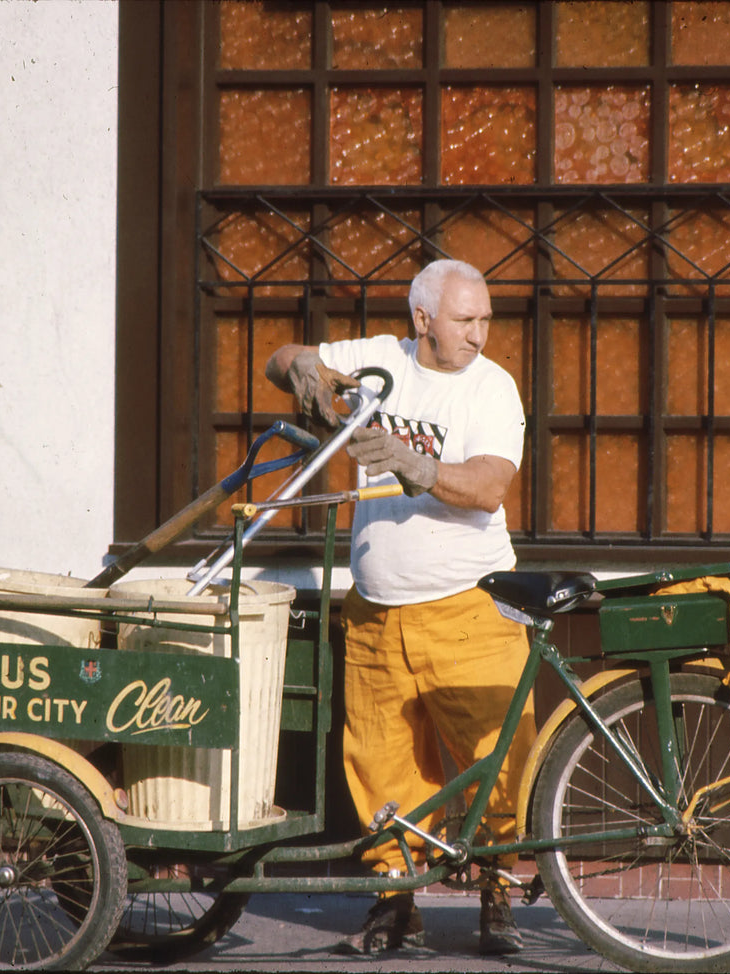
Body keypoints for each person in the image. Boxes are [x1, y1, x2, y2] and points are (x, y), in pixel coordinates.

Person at [265, 259, 533, 957]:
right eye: (465, 320)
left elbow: (489, 485)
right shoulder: (380, 360)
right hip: (376, 610)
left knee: (498, 759)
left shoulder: (493, 388)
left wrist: (417, 466)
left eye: (484, 321)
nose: (479, 335)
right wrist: (307, 377)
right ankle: (395, 902)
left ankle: (496, 892)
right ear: (422, 320)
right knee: (382, 767)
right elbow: (283, 356)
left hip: (471, 609)